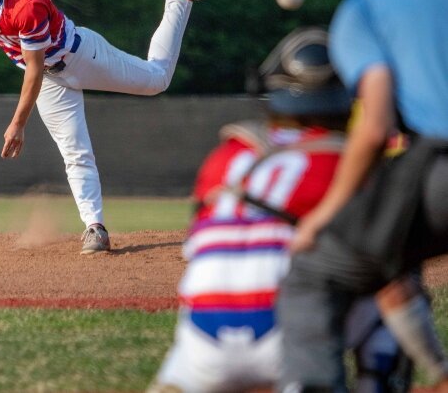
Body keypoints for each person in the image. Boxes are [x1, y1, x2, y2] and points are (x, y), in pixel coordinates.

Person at [148, 28, 411, 393]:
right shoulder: (349, 163)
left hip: (204, 340)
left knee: (205, 287)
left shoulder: (227, 155)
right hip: (290, 338)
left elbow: (196, 241)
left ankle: (175, 380)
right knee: (390, 281)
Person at [0, 0, 231, 254]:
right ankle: (95, 228)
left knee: (157, 80)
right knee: (75, 153)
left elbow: (33, 68)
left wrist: (18, 123)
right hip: (51, 80)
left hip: (81, 57)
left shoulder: (26, 6)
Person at [277, 0, 448, 391]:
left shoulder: (371, 6)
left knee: (315, 274)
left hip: (437, 171)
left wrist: (325, 213)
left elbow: (375, 128)